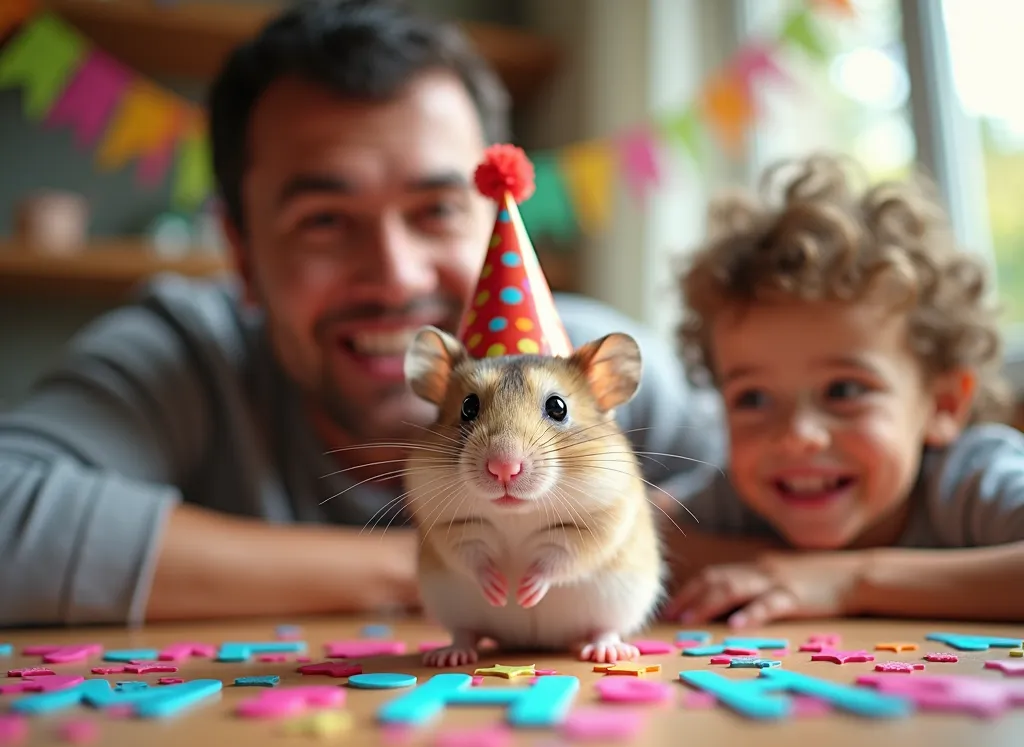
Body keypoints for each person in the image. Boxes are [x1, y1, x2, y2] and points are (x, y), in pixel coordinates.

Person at [0, 0, 724, 628]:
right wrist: (431, 560)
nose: (394, 276)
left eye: (438, 210)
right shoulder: (183, 354)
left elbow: (783, 485)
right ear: (241, 252)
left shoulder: (585, 365)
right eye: (324, 220)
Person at [660, 153, 1024, 629]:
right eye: (753, 398)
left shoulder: (971, 480)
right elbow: (621, 532)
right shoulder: (736, 493)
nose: (797, 437)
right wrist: (782, 566)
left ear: (943, 404)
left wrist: (851, 579)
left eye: (845, 390)